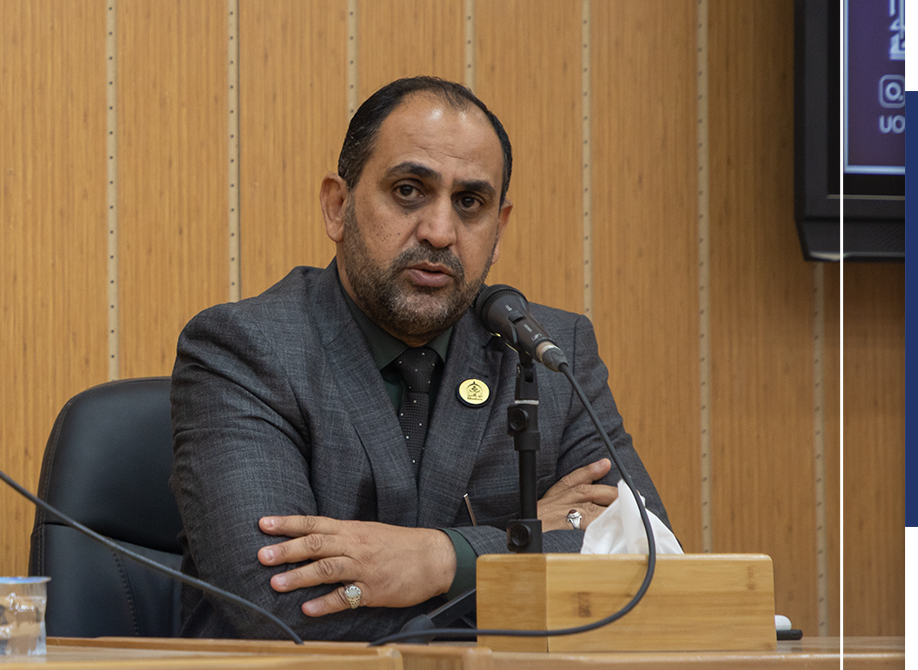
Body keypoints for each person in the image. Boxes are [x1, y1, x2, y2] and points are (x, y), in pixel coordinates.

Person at [172, 76, 667, 641]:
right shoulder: (245, 349)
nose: (439, 232)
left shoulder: (546, 351)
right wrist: (527, 548)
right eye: (408, 191)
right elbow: (282, 606)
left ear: (498, 230)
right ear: (337, 206)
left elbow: (651, 563)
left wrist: (439, 559)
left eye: (470, 203)